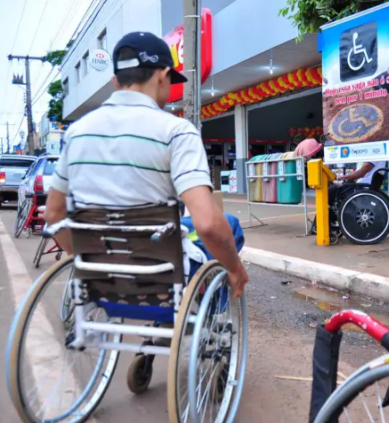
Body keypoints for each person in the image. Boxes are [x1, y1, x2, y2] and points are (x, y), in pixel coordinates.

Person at [45, 31, 249, 297]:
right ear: (163, 76)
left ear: (115, 81)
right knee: (228, 224)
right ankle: (213, 319)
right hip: (161, 268)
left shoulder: (76, 133)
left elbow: (54, 214)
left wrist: (88, 257)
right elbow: (208, 224)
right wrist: (235, 268)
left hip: (98, 266)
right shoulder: (176, 132)